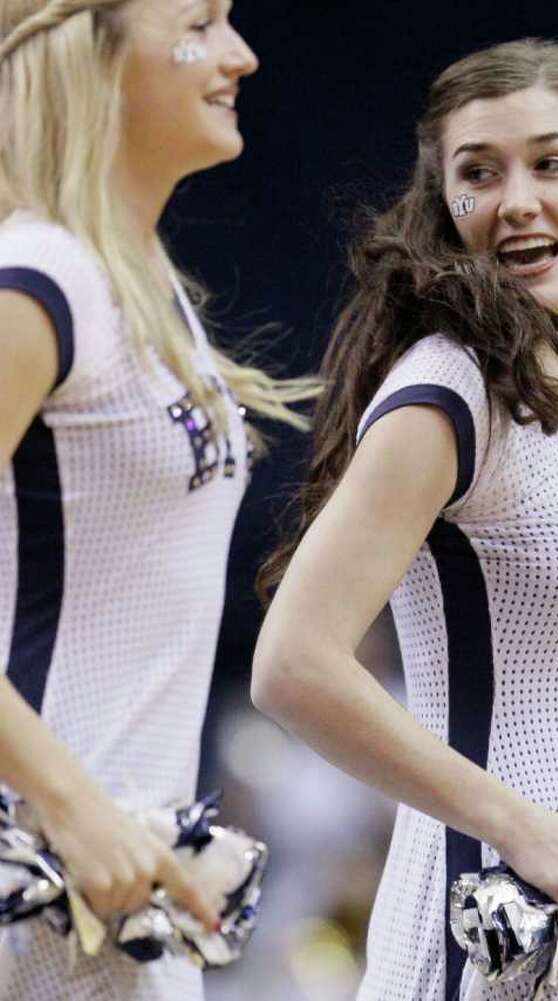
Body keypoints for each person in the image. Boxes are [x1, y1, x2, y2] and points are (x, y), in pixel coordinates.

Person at [252, 38, 558, 1001]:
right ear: (447, 208)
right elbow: (292, 664)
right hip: (476, 935)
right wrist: (518, 824)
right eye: (479, 174)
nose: (517, 200)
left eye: (550, 163)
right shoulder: (447, 390)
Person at [0, 2, 315, 998]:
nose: (241, 55)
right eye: (200, 22)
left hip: (122, 883)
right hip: (36, 877)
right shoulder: (39, 277)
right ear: (89, 54)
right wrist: (72, 805)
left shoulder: (136, 282)